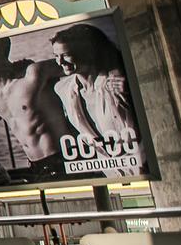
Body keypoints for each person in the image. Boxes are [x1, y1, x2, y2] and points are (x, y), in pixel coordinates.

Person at [0, 38, 75, 180]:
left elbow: (78, 63)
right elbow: (4, 106)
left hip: (61, 159)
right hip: (34, 165)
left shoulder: (33, 73)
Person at [51, 24, 140, 177]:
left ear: (85, 53)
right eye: (56, 56)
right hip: (110, 171)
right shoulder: (63, 89)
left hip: (140, 163)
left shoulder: (116, 83)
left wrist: (131, 89)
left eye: (66, 55)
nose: (60, 62)